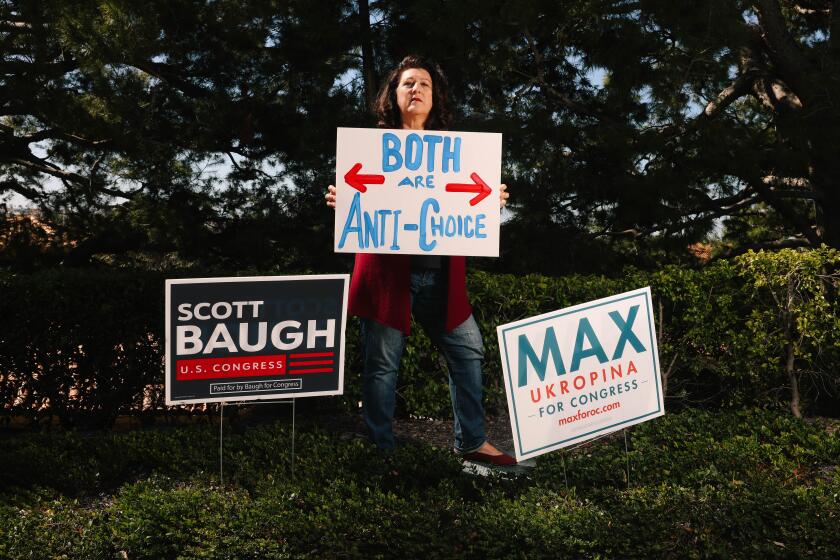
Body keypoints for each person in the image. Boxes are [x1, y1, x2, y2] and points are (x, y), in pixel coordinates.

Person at [326, 54, 514, 466]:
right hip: (386, 278)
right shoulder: (371, 149)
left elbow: (471, 204)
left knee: (468, 352)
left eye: (424, 84)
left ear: (435, 97)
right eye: (408, 83)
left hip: (441, 278)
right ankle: (381, 449)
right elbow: (359, 201)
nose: (416, 89)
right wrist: (343, 202)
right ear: (393, 95)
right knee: (381, 367)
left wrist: (491, 203)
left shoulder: (458, 152)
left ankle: (472, 441)